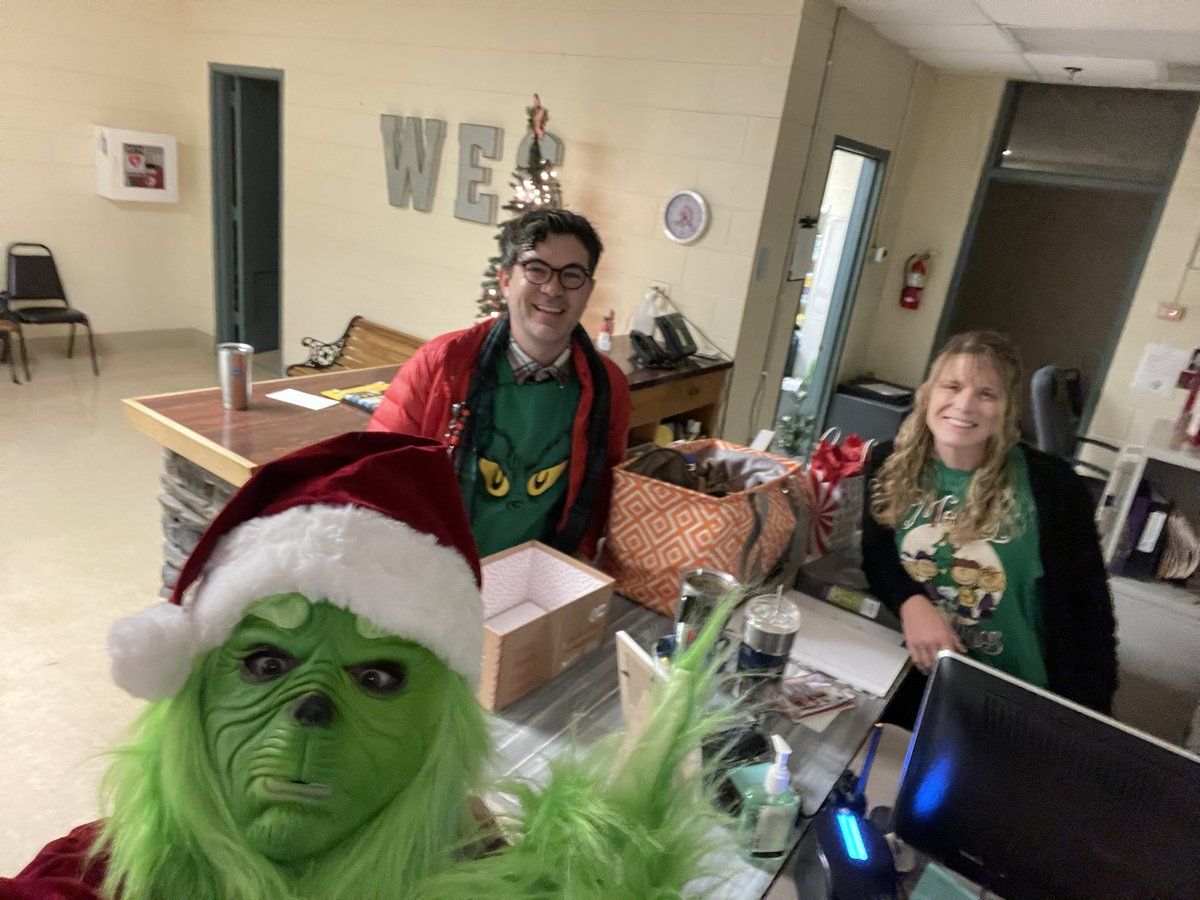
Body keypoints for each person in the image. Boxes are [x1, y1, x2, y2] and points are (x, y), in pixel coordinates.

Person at [1, 432, 730, 899]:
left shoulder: (475, 869)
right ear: (189, 686)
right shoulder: (99, 876)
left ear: (440, 730)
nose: (309, 711)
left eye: (378, 676)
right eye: (265, 661)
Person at [861, 331, 1117, 717]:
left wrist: (1090, 719)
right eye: (952, 386)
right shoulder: (888, 462)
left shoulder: (1053, 487)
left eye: (986, 394)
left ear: (1006, 408)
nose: (964, 405)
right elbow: (877, 553)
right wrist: (911, 602)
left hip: (1021, 691)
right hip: (925, 678)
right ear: (929, 393)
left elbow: (1091, 612)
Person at [369, 208, 630, 560]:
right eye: (536, 269)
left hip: (538, 573)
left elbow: (601, 492)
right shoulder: (441, 364)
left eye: (572, 275)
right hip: (436, 570)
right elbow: (379, 477)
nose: (553, 288)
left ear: (588, 290)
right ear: (505, 280)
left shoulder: (607, 386)